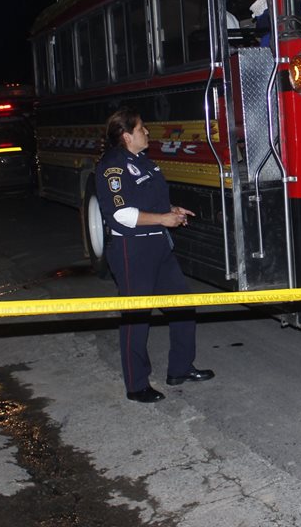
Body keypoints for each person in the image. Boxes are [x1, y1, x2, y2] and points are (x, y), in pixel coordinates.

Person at [94, 107, 214, 403]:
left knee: (184, 306)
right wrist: (162, 220)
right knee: (137, 318)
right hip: (132, 250)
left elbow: (150, 200)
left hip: (158, 245)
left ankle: (180, 369)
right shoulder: (113, 167)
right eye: (142, 128)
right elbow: (120, 214)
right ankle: (136, 386)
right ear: (126, 136)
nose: (147, 132)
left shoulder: (142, 162)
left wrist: (170, 212)